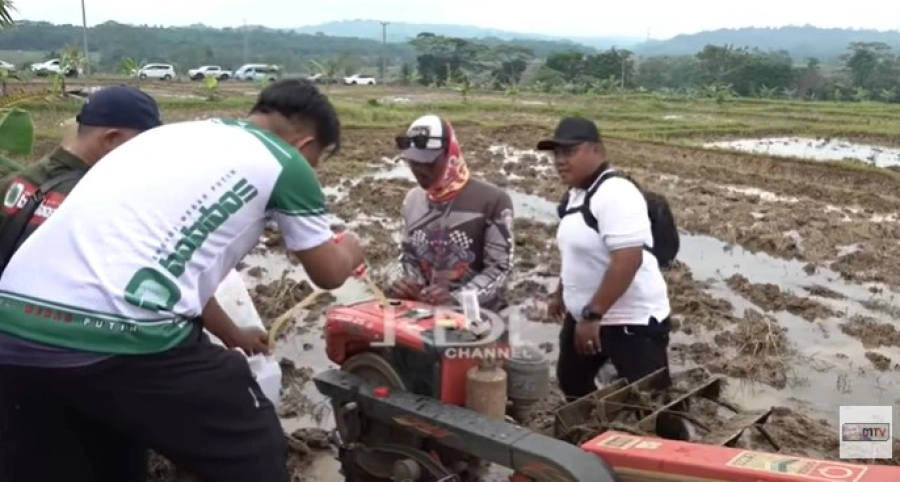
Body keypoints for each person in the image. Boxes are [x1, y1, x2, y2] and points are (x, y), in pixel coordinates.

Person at [0, 79, 366, 482]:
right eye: (315, 161)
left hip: (13, 326)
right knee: (250, 439)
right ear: (305, 145)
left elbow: (153, 261)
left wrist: (232, 333)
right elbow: (329, 272)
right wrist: (352, 245)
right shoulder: (285, 160)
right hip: (117, 334)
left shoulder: (170, 137)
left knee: (96, 449)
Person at [539, 117, 687, 440]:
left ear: (597, 150)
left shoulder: (615, 192)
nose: (560, 160)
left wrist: (593, 314)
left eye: (570, 151)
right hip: (588, 317)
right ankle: (601, 440)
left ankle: (684, 458)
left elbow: (628, 260)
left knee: (655, 405)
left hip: (631, 321)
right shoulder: (575, 196)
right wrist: (561, 293)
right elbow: (578, 255)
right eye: (556, 153)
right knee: (572, 380)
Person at [386, 115, 514, 312]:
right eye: (413, 162)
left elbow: (500, 270)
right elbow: (408, 256)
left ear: (450, 155)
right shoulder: (412, 200)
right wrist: (403, 282)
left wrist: (457, 299)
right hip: (426, 312)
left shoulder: (492, 201)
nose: (419, 170)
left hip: (478, 318)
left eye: (428, 163)